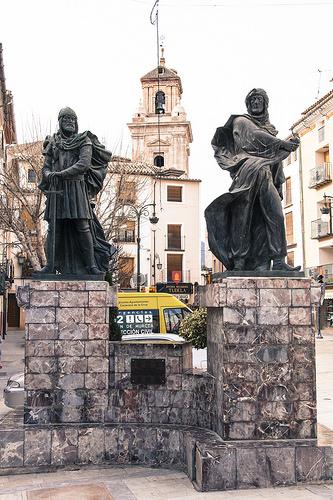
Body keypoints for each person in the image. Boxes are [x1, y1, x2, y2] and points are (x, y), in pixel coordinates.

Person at [205, 88, 300, 272]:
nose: (256, 103)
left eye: (260, 100)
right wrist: (283, 144)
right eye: (253, 100)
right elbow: (255, 138)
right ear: (248, 104)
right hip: (248, 170)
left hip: (265, 172)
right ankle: (239, 260)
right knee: (243, 216)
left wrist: (278, 180)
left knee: (275, 215)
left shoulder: (270, 128)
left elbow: (275, 160)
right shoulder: (241, 121)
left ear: (265, 104)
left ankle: (279, 259)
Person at [38, 107, 113, 276]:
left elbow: (83, 164)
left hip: (76, 188)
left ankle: (91, 266)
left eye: (72, 119)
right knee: (54, 228)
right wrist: (49, 175)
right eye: (65, 119)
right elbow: (46, 167)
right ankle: (50, 265)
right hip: (57, 189)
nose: (69, 122)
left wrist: (60, 174)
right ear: (60, 122)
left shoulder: (84, 140)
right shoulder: (52, 143)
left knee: (82, 226)